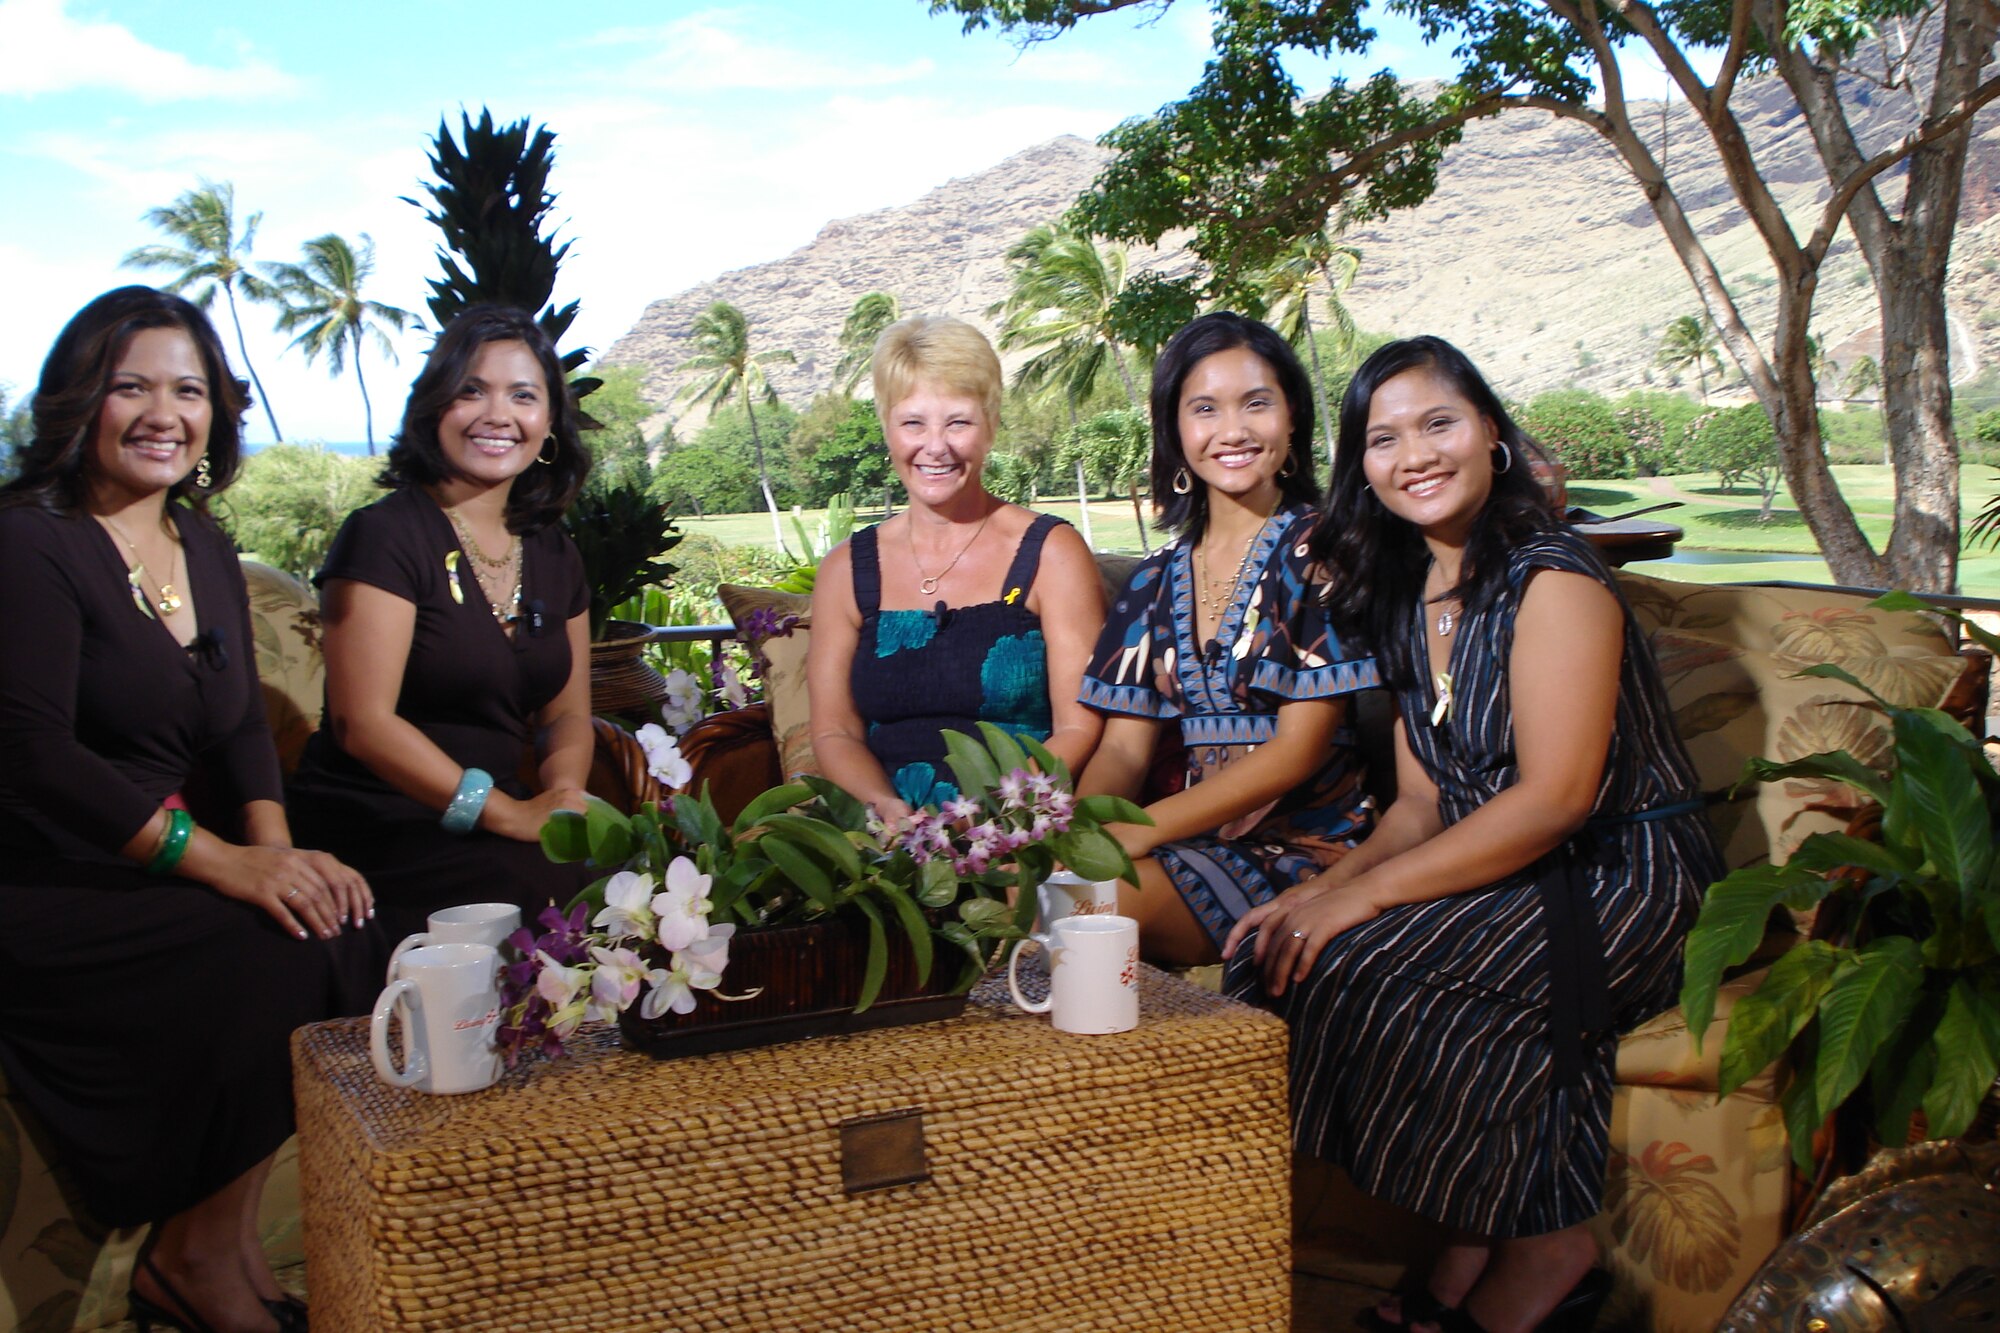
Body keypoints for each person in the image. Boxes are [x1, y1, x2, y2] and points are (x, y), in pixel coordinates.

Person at [1224, 336, 1723, 1333]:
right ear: (1359, 466)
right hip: (1511, 864)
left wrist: (1361, 898)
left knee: (1379, 965)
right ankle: (1465, 1237)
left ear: (1490, 432)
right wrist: (1319, 892)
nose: (1413, 453)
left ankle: (1548, 1246)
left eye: (1438, 423)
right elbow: (1417, 804)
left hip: (1616, 871)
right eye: (1383, 436)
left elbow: (1554, 799)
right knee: (1282, 953)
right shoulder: (1408, 595)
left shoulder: (1553, 579)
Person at [0, 286, 374, 1333]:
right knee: (272, 950)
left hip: (168, 854)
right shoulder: (31, 542)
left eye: (188, 389)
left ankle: (228, 1239)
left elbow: (239, 731)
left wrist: (277, 851)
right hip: (52, 873)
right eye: (132, 386)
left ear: (216, 413)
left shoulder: (200, 542)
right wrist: (220, 862)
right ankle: (195, 1257)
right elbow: (32, 756)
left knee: (337, 919)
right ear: (81, 400)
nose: (163, 412)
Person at [286, 306, 597, 947]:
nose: (497, 415)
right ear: (435, 409)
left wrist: (562, 796)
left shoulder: (553, 550)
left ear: (549, 425)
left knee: (616, 876)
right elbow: (362, 724)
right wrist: (507, 814)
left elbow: (567, 715)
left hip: (501, 819)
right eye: (471, 390)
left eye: (523, 396)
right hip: (385, 820)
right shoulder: (384, 536)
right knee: (533, 888)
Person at [1076, 312, 1378, 966]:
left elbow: (1296, 753)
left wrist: (1135, 833)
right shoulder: (1154, 580)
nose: (1232, 431)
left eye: (1256, 404)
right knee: (1040, 886)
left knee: (1087, 906)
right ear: (1175, 429)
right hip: (1185, 841)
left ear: (1292, 415)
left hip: (1304, 848)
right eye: (1205, 408)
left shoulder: (1324, 553)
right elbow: (1123, 751)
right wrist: (1072, 828)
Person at [808, 315, 1104, 818]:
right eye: (913, 422)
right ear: (887, 428)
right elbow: (834, 731)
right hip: (883, 842)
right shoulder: (845, 570)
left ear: (989, 426)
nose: (936, 446)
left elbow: (1079, 727)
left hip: (1016, 830)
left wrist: (998, 818)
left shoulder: (1051, 552)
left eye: (958, 421)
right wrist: (885, 812)